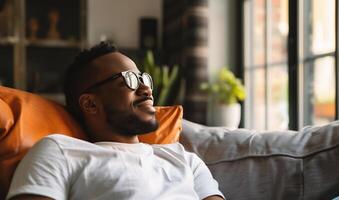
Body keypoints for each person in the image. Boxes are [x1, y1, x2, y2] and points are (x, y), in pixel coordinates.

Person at [6, 42, 225, 200]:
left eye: (143, 78)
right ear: (90, 104)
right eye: (129, 79)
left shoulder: (185, 160)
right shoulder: (61, 152)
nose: (147, 89)